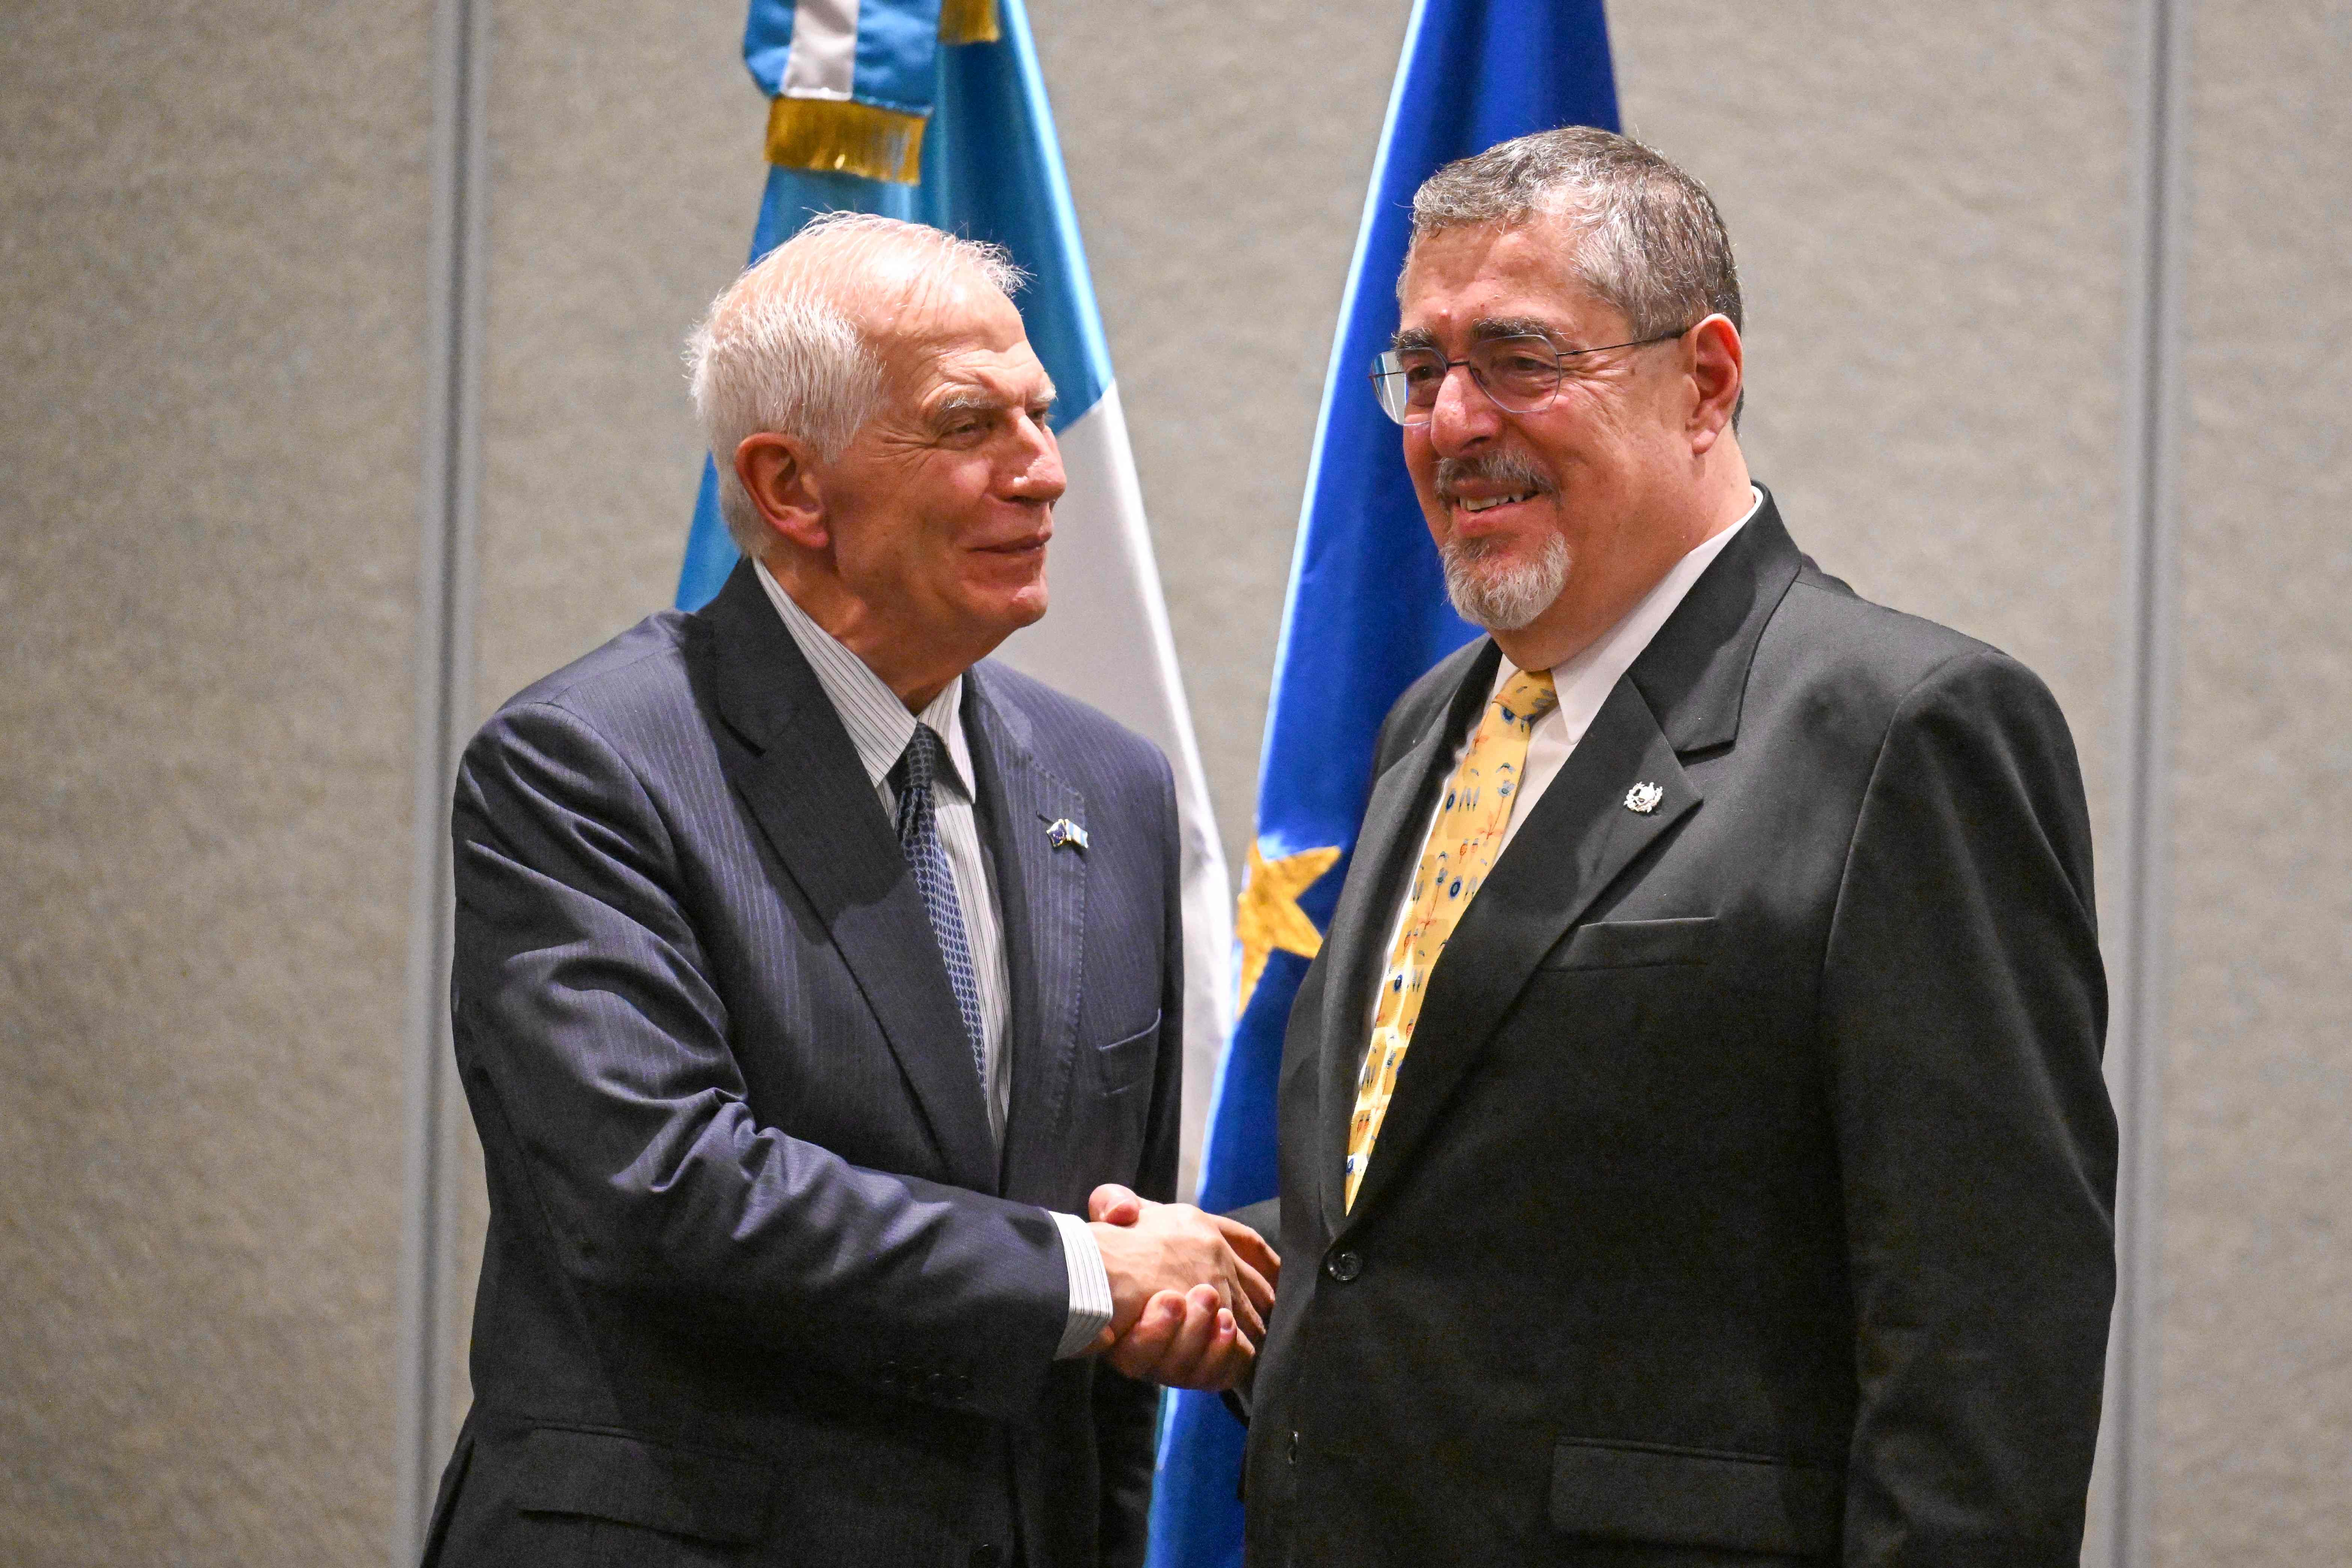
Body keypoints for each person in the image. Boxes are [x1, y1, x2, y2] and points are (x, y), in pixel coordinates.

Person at [1237, 128, 2118, 1566]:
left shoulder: (1905, 732)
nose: (1453, 421)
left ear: (1704, 381)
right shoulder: (1430, 728)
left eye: (1519, 361)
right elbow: (1464, 1200)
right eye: (1419, 368)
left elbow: (1985, 1342)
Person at [419, 214, 1276, 1568]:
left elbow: (1106, 1323)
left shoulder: (1110, 790)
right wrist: (1079, 1275)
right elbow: (662, 1194)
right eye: (969, 426)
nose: (1045, 474)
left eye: (1041, 418)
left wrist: (1126, 1299)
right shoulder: (590, 768)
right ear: (792, 488)